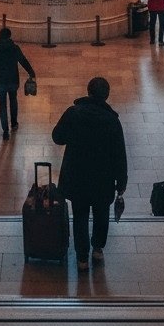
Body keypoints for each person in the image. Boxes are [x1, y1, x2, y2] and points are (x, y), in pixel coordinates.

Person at [52, 76, 127, 271]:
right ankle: (98, 248)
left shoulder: (73, 113)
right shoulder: (112, 120)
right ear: (106, 95)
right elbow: (120, 153)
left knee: (79, 216)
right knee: (102, 215)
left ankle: (82, 257)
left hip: (78, 177)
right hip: (103, 179)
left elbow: (57, 137)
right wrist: (122, 183)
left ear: (88, 91)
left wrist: (75, 137)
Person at [0, 26, 36, 140]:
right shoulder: (14, 48)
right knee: (13, 101)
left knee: (2, 106)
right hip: (12, 80)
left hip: (0, 81)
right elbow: (23, 61)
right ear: (10, 36)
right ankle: (14, 123)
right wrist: (31, 72)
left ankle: (5, 130)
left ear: (0, 37)